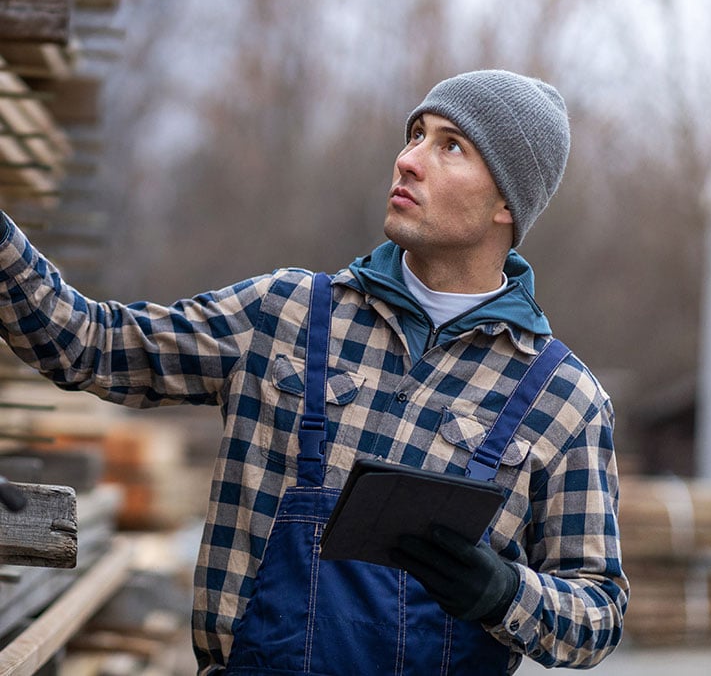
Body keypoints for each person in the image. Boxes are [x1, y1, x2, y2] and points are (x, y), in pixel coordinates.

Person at [0, 70, 628, 675]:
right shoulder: (286, 314)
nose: (409, 160)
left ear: (505, 205)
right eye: (415, 135)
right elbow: (90, 344)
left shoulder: (562, 398)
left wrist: (504, 593)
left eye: (451, 146)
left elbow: (598, 615)